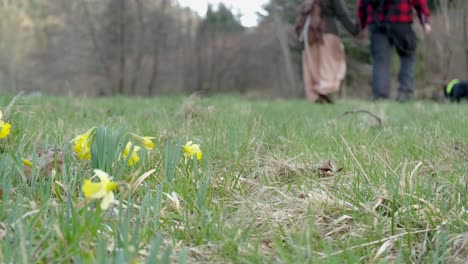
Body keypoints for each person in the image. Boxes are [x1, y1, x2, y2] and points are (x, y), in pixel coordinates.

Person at [357, 0, 432, 101]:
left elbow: (362, 4)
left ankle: (380, 95)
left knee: (380, 60)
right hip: (401, 21)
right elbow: (419, 2)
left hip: (376, 22)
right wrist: (425, 22)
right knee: (408, 55)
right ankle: (405, 93)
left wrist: (360, 26)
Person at [295, 0, 361, 103]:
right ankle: (325, 92)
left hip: (309, 36)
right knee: (332, 64)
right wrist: (355, 31)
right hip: (327, 33)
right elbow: (342, 14)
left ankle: (316, 96)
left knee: (313, 66)